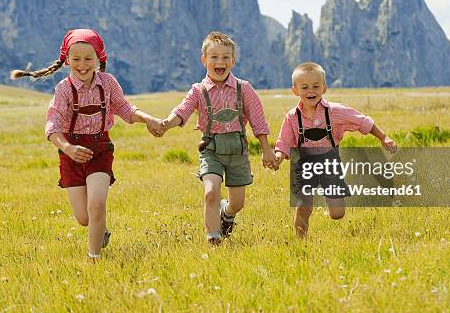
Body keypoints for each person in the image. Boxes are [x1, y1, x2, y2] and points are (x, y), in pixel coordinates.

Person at [11, 29, 164, 259]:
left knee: (96, 206)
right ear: (67, 61)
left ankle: (94, 259)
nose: (82, 65)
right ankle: (99, 229)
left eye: (88, 59)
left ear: (98, 59)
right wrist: (68, 148)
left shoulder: (108, 83)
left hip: (100, 148)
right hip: (70, 153)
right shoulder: (64, 89)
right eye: (76, 59)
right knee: (84, 218)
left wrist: (148, 119)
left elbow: (124, 108)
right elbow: (52, 127)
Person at [161, 31, 277, 245]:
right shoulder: (198, 90)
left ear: (233, 61)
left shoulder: (244, 89)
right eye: (214, 57)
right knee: (211, 192)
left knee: (238, 203)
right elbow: (183, 110)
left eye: (225, 57)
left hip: (237, 150)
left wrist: (266, 149)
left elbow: (258, 121)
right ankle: (213, 239)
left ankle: (227, 213)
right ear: (204, 59)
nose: (220, 62)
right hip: (211, 150)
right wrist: (167, 123)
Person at [273, 62, 397, 237]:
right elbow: (283, 142)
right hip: (304, 164)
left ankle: (329, 194)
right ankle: (300, 242)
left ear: (324, 88)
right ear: (295, 90)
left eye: (316, 86)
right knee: (303, 205)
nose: (311, 91)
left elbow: (363, 121)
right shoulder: (292, 117)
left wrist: (383, 137)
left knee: (337, 214)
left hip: (329, 161)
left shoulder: (335, 112)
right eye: (305, 87)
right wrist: (278, 156)